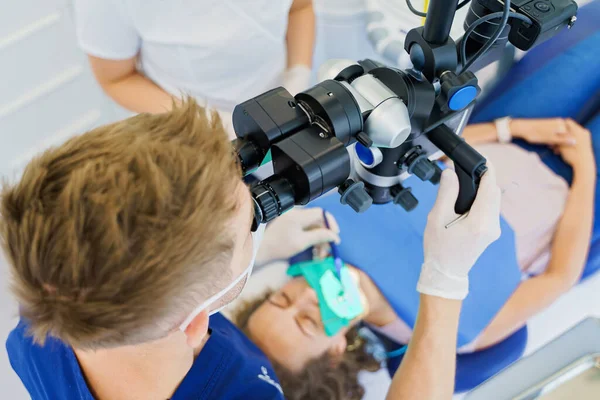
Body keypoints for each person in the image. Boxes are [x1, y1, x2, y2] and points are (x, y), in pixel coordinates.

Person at [2, 99, 502, 400]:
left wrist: (240, 255)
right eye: (253, 223)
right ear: (197, 323)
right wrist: (445, 279)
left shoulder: (39, 321)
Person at [231, 117, 597, 398]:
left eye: (283, 298)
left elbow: (420, 155)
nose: (307, 295)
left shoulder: (319, 224)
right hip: (574, 195)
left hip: (508, 136)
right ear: (336, 352)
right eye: (309, 321)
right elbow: (560, 277)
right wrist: (585, 167)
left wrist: (511, 127)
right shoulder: (444, 327)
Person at [73, 0, 316, 134]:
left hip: (278, 107)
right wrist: (208, 122)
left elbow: (300, 8)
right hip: (185, 127)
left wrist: (297, 78)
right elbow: (117, 78)